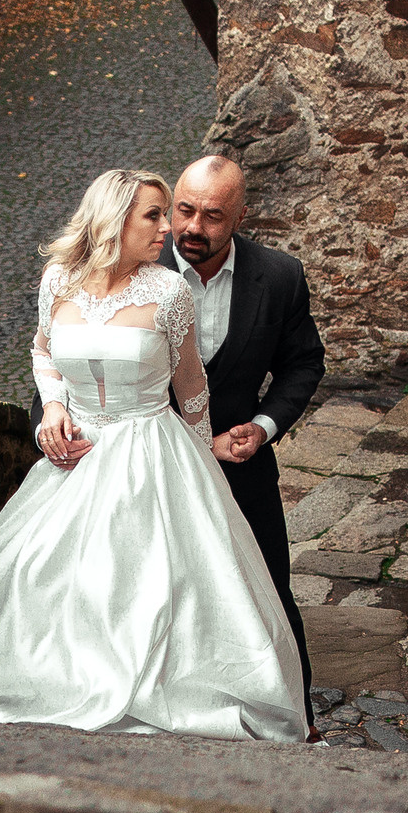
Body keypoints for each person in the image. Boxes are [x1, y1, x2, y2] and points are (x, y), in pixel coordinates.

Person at [0, 169, 306, 740]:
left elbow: (191, 388)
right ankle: (59, 686)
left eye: (172, 215)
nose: (168, 229)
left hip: (152, 451)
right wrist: (55, 408)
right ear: (114, 218)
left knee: (160, 585)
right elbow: (44, 352)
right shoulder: (58, 280)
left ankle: (170, 693)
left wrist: (200, 473)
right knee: (51, 579)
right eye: (156, 215)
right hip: (77, 459)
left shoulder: (167, 291)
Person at [157, 155, 326, 729]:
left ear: (241, 218)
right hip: (147, 472)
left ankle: (295, 719)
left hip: (241, 471)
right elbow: (69, 355)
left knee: (268, 595)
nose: (192, 229)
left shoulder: (279, 277)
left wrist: (264, 425)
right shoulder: (129, 266)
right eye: (184, 210)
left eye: (212, 216)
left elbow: (303, 364)